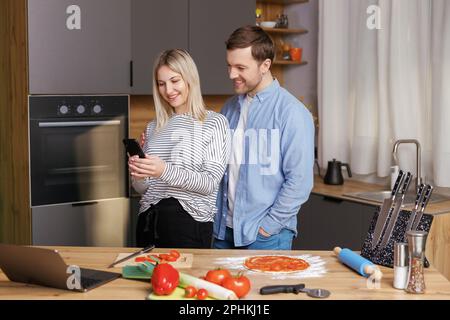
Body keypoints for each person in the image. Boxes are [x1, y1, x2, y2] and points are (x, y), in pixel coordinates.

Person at [213, 26, 315, 250]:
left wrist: (268, 227)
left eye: (240, 67)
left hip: (266, 237)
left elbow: (299, 182)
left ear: (265, 65)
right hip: (223, 233)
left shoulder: (292, 113)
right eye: (229, 66)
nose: (231, 75)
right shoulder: (228, 109)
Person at [129, 49, 230, 249]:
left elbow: (209, 183)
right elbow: (143, 189)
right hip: (148, 221)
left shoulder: (214, 123)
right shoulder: (153, 127)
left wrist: (163, 170)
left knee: (185, 281)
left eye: (175, 81)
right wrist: (139, 173)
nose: (168, 90)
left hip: (188, 224)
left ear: (189, 78)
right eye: (161, 83)